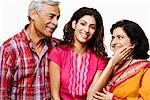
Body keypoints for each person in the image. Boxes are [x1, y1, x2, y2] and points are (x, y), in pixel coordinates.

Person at [0, 0, 60, 99]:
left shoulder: (57, 47)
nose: (56, 23)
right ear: (33, 14)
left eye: (57, 18)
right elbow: (2, 95)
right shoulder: (10, 49)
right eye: (51, 16)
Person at [48, 7, 108, 100]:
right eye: (83, 24)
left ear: (95, 31)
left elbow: (92, 96)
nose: (87, 30)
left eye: (92, 27)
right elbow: (54, 96)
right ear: (74, 24)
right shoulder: (58, 53)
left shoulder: (100, 60)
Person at [87, 20, 150, 100]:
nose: (114, 42)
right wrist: (111, 63)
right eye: (113, 38)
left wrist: (114, 99)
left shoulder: (146, 69)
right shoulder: (106, 64)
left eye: (119, 37)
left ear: (133, 43)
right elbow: (90, 98)